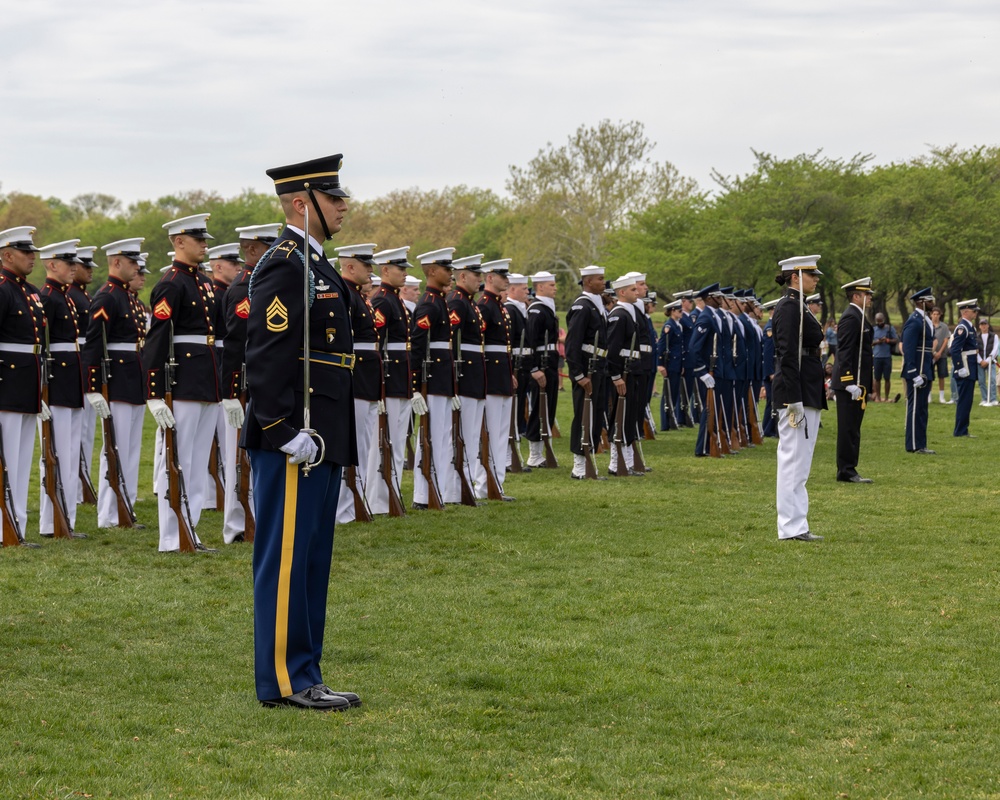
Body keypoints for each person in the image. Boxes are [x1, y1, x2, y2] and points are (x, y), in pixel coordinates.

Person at [241, 153, 360, 711]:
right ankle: (285, 682)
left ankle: (305, 673)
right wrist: (281, 428)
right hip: (295, 437)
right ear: (300, 203)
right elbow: (265, 356)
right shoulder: (285, 264)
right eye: (333, 199)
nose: (342, 208)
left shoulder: (315, 264)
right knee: (287, 558)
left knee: (311, 559)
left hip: (322, 433)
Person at [144, 213, 220, 552]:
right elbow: (156, 340)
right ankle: (170, 536)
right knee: (176, 459)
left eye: (204, 239)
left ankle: (190, 530)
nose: (205, 244)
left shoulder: (202, 281)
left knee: (197, 459)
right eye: (198, 239)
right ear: (178, 242)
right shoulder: (171, 283)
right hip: (183, 381)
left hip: (206, 380)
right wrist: (154, 393)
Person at [218, 223, 281, 543]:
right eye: (270, 246)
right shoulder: (244, 287)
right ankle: (235, 525)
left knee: (253, 458)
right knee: (237, 459)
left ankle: (251, 519)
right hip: (242, 386)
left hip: (257, 382)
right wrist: (230, 393)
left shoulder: (260, 283)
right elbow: (235, 343)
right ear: (253, 249)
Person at [82, 238, 147, 528]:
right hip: (117, 381)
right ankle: (109, 514)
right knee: (114, 448)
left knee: (130, 449)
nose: (136, 266)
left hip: (133, 379)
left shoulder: (128, 297)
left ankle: (125, 507)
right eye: (132, 261)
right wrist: (93, 386)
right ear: (117, 262)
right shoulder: (108, 296)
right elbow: (94, 343)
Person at [772, 255, 826, 541]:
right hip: (796, 392)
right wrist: (793, 400)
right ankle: (790, 527)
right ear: (796, 277)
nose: (816, 279)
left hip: (806, 389)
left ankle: (798, 524)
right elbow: (788, 355)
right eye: (811, 275)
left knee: (801, 462)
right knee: (793, 459)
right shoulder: (790, 307)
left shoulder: (799, 306)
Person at [36, 240, 87, 537]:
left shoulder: (64, 297)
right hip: (55, 384)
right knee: (55, 454)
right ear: (53, 265)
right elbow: (42, 347)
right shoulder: (48, 298)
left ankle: (65, 518)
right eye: (69, 264)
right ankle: (51, 521)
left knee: (69, 453)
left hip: (70, 383)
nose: (75, 269)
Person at [0, 227, 47, 544]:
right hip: (6, 383)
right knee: (5, 459)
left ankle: (15, 526)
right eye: (24, 251)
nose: (32, 256)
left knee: (20, 461)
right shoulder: (3, 290)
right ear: (6, 255)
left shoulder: (29, 291)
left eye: (32, 251)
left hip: (28, 381)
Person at [334, 242, 379, 523]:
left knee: (362, 445)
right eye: (366, 265)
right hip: (355, 379)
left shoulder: (356, 296)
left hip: (366, 380)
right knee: (352, 446)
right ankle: (343, 509)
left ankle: (353, 504)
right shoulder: (345, 295)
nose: (371, 270)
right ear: (350, 266)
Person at [410, 248, 458, 508]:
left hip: (441, 380)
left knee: (440, 436)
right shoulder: (429, 302)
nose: (450, 273)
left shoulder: (439, 300)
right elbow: (417, 345)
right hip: (432, 380)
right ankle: (422, 494)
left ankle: (435, 489)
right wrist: (416, 386)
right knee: (428, 438)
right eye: (445, 268)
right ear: (430, 271)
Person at [368, 246, 414, 514]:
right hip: (390, 378)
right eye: (400, 269)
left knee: (397, 440)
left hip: (400, 378)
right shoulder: (383, 301)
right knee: (383, 442)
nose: (405, 274)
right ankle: (378, 499)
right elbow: (378, 343)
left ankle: (391, 494)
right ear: (385, 271)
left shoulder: (394, 300)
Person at [476, 259, 516, 499]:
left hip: (501, 374)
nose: (506, 279)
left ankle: (497, 483)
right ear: (490, 278)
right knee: (489, 433)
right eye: (502, 275)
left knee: (501, 433)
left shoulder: (498, 306)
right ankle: (485, 484)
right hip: (490, 375)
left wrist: (509, 373)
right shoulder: (485, 306)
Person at [565, 265, 608, 479]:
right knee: (583, 415)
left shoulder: (596, 305)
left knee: (596, 415)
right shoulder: (582, 307)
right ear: (588, 282)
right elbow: (572, 344)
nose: (604, 282)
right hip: (586, 368)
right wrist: (578, 374)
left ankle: (588, 459)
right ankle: (578, 465)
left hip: (598, 366)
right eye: (600, 279)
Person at [830, 277, 874, 483]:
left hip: (858, 382)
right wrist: (848, 381)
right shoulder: (851, 317)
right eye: (867, 294)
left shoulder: (859, 316)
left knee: (854, 427)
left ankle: (850, 468)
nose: (870, 297)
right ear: (856, 296)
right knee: (848, 428)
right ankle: (846, 470)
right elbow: (845, 351)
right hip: (851, 384)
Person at [605, 274, 642, 476]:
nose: (637, 293)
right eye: (633, 290)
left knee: (629, 417)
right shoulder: (620, 314)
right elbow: (612, 348)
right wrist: (616, 376)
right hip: (623, 373)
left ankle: (626, 462)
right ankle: (615, 462)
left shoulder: (630, 312)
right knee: (619, 416)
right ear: (622, 292)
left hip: (632, 370)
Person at [70, 246, 97, 504]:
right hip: (75, 362)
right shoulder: (70, 295)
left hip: (84, 361)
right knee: (77, 431)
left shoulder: (83, 297)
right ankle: (77, 486)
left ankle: (83, 483)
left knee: (87, 429)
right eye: (85, 266)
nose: (89, 271)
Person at [901, 287, 936, 454]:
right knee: (915, 410)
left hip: (925, 370)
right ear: (921, 302)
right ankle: (913, 445)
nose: (932, 303)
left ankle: (921, 444)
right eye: (929, 300)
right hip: (917, 372)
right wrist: (913, 373)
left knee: (922, 409)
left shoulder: (924, 320)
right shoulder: (914, 320)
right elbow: (908, 348)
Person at [951, 299, 980, 437]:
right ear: (966, 311)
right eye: (974, 311)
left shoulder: (970, 327)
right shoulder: (962, 327)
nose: (976, 313)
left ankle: (963, 429)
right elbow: (955, 349)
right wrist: (959, 367)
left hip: (971, 366)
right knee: (964, 400)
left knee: (967, 400)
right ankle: (960, 431)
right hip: (965, 368)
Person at [871, 313, 899, 402]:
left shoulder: (889, 329)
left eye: (881, 321)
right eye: (877, 321)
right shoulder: (873, 330)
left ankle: (886, 397)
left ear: (884, 320)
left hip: (887, 356)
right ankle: (878, 397)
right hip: (877, 357)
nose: (879, 323)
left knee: (887, 378)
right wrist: (877, 342)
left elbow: (896, 340)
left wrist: (887, 340)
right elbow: (869, 342)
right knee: (877, 378)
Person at [930, 307, 951, 403]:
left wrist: (939, 352)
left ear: (940, 315)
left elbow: (946, 340)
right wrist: (933, 352)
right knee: (929, 375)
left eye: (937, 314)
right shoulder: (928, 325)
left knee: (941, 375)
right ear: (931, 315)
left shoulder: (944, 326)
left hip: (941, 355)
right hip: (930, 354)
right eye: (933, 314)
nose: (935, 316)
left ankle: (941, 397)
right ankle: (928, 396)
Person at [976, 318, 998, 406]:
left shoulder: (994, 336)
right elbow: (975, 350)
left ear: (988, 325)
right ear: (979, 326)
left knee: (992, 380)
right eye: (982, 324)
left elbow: (995, 350)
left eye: (985, 324)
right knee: (981, 381)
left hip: (991, 362)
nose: (983, 326)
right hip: (980, 362)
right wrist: (980, 361)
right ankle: (984, 398)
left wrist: (988, 360)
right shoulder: (976, 337)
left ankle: (993, 399)